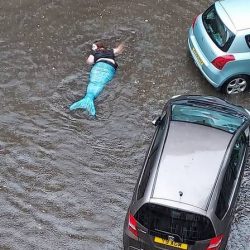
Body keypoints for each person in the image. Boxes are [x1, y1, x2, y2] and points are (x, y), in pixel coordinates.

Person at [69, 41, 125, 116]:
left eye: (93, 47)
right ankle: (89, 100)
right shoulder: (110, 51)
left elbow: (89, 62)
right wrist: (123, 43)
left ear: (98, 47)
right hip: (109, 68)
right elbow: (119, 50)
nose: (93, 49)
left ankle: (88, 98)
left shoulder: (94, 53)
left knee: (93, 82)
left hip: (98, 66)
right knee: (101, 83)